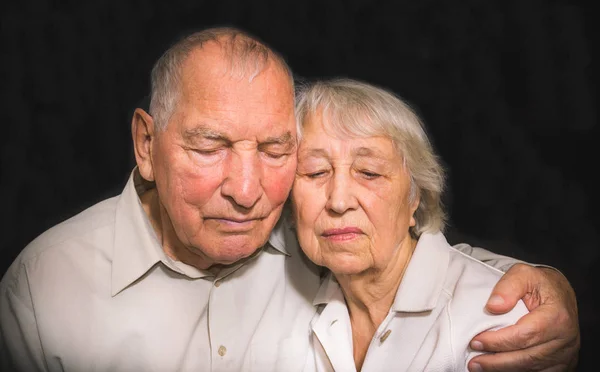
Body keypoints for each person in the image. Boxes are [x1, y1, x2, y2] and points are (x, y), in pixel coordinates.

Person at [0, 27, 579, 372]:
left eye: (277, 151)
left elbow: (407, 251)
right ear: (147, 145)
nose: (247, 192)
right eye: (210, 146)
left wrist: (544, 287)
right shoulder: (44, 288)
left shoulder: (307, 236)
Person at [291, 78, 537, 370]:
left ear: (414, 198)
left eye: (369, 173)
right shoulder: (294, 304)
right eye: (316, 172)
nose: (339, 201)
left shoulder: (494, 320)